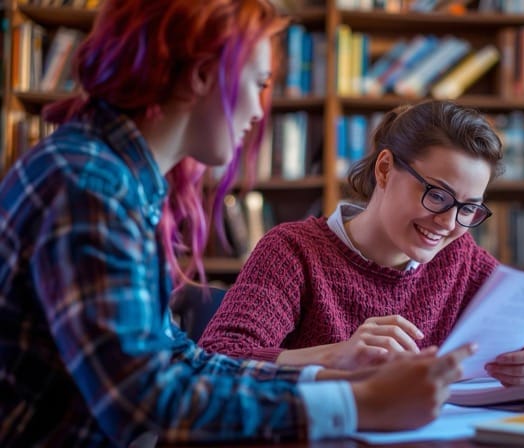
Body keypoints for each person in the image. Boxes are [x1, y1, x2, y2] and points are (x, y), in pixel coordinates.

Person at [0, 1, 475, 446]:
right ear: (203, 76)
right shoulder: (88, 186)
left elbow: (176, 359)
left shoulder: (116, 178)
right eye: (258, 83)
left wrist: (329, 377)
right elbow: (142, 399)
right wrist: (356, 404)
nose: (257, 111)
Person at [199, 100, 524, 385]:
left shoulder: (461, 259)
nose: (449, 223)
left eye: (469, 208)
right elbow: (214, 359)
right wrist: (331, 356)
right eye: (437, 195)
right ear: (384, 169)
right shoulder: (293, 251)